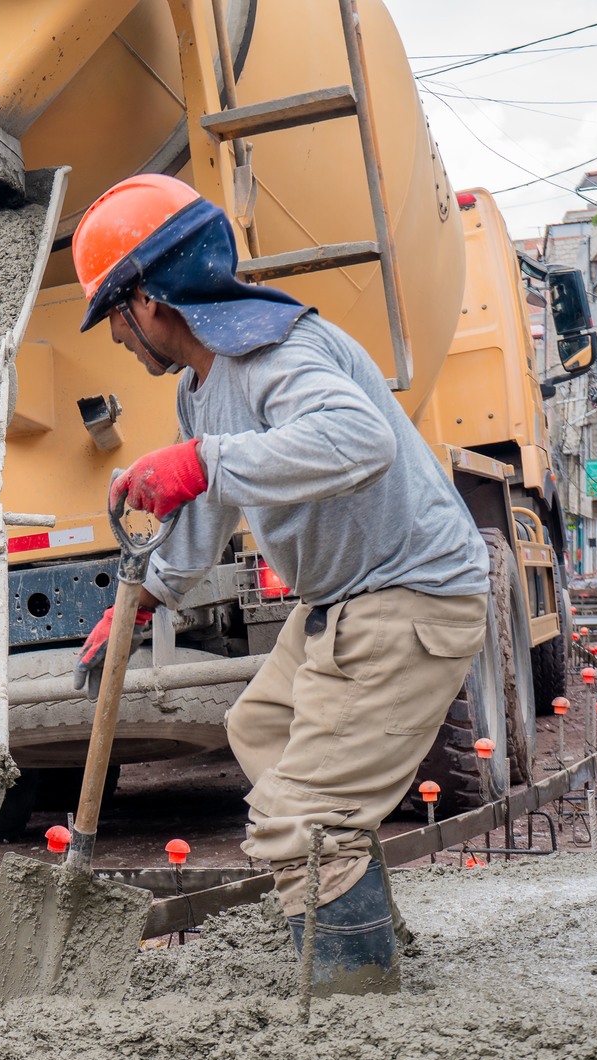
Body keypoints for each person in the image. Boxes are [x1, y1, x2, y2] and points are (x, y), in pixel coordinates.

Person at [68, 174, 489, 997]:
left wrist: (199, 462)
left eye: (114, 316)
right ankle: (365, 925)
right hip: (342, 600)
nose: (117, 338)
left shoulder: (276, 352)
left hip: (412, 595)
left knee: (301, 817)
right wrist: (149, 590)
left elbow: (357, 438)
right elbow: (206, 502)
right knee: (259, 726)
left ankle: (352, 992)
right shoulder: (204, 386)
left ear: (150, 301)